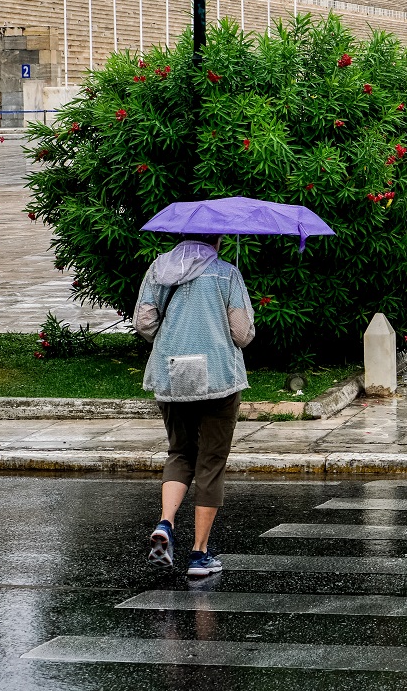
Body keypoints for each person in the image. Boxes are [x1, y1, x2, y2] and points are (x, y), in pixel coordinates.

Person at [133, 234, 255, 577]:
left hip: (171, 374)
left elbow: (144, 322)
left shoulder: (158, 269)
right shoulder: (226, 273)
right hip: (218, 377)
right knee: (211, 462)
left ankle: (166, 522)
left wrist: (171, 336)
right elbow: (241, 333)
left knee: (180, 452)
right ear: (216, 240)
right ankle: (199, 554)